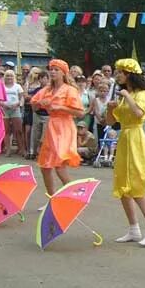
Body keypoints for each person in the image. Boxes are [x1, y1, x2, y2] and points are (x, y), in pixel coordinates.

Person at [105, 58, 145, 244]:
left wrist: (127, 96)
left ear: (129, 74)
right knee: (122, 184)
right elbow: (110, 122)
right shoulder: (125, 95)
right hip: (124, 137)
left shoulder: (141, 94)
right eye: (116, 72)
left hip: (136, 138)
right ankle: (133, 228)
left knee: (136, 184)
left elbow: (140, 114)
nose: (117, 75)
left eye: (120, 72)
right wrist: (110, 109)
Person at [30, 58, 85, 196]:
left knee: (59, 164)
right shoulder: (47, 89)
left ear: (63, 73)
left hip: (64, 127)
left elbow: (80, 112)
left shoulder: (69, 90)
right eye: (51, 69)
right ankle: (52, 197)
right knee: (45, 166)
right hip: (51, 126)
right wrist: (39, 103)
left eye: (56, 70)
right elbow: (33, 104)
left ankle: (75, 194)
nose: (53, 72)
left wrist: (61, 106)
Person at [2, 70, 25, 157]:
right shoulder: (2, 86)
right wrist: (3, 104)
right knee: (6, 131)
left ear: (14, 77)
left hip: (15, 109)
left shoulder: (17, 86)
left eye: (11, 76)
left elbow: (21, 98)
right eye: (7, 75)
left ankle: (22, 149)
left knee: (18, 130)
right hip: (5, 109)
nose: (9, 77)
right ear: (5, 77)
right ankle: (8, 150)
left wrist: (18, 104)